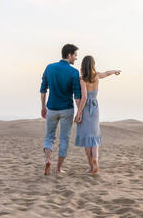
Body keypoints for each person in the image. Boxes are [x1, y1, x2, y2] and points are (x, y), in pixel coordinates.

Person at [74, 55, 121, 174]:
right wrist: (115, 71)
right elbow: (106, 73)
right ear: (93, 65)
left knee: (86, 138)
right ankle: (95, 158)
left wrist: (78, 113)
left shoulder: (82, 79)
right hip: (95, 107)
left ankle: (91, 166)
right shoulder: (97, 75)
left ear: (83, 65)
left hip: (85, 108)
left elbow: (84, 97)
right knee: (94, 137)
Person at [40, 44, 81, 175]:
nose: (76, 58)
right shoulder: (74, 72)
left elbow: (43, 89)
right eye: (75, 55)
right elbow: (77, 96)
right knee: (64, 138)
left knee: (49, 137)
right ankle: (58, 168)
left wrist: (43, 106)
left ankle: (47, 159)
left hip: (51, 108)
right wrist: (79, 112)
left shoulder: (50, 67)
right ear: (69, 55)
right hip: (67, 109)